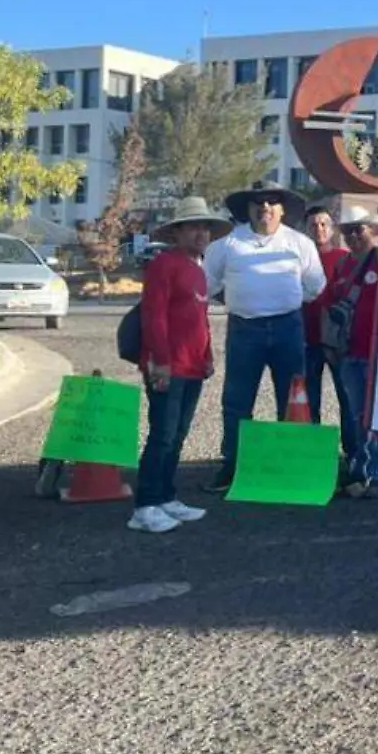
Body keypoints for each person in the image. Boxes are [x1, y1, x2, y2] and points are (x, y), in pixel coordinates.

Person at [204, 180, 327, 493]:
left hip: (288, 327)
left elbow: (315, 287)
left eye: (272, 202)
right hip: (245, 328)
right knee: (237, 400)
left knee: (294, 399)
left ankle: (294, 465)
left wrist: (284, 301)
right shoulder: (228, 243)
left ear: (282, 209)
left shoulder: (300, 243)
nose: (265, 208)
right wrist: (237, 298)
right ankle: (232, 466)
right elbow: (207, 284)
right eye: (258, 202)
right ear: (247, 209)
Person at [131, 196, 232, 533]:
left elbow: (200, 320)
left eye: (205, 227)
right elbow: (154, 315)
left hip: (191, 368)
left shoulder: (198, 270)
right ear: (177, 232)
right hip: (167, 367)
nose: (201, 233)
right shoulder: (164, 264)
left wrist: (207, 357)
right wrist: (160, 361)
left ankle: (166, 496)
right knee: (162, 435)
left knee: (177, 435)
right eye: (193, 227)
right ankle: (145, 505)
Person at [333, 205, 378, 498]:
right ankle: (363, 470)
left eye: (359, 228)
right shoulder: (343, 266)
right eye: (348, 230)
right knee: (358, 414)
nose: (354, 235)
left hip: (376, 351)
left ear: (373, 230)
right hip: (350, 351)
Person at [300, 205, 352, 428]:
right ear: (306, 229)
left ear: (332, 229)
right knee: (308, 400)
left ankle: (352, 453)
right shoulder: (298, 260)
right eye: (313, 225)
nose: (319, 229)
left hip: (337, 340)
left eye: (323, 224)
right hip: (306, 339)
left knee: (347, 397)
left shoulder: (346, 259)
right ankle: (312, 453)